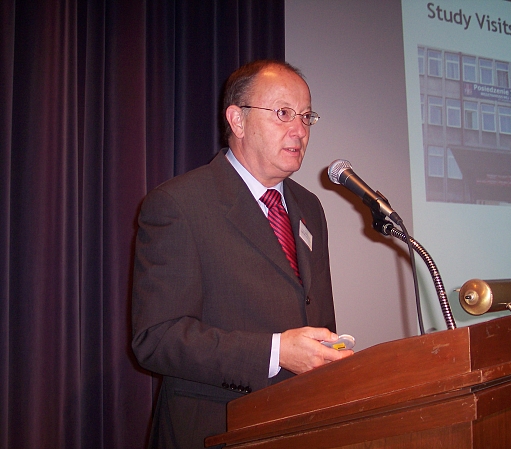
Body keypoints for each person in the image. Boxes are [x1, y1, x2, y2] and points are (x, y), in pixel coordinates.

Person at [131, 59, 353, 448]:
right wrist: (276, 352)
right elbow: (157, 339)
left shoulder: (309, 207)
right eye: (283, 113)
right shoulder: (180, 204)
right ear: (237, 121)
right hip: (217, 427)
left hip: (304, 424)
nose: (300, 130)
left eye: (306, 116)